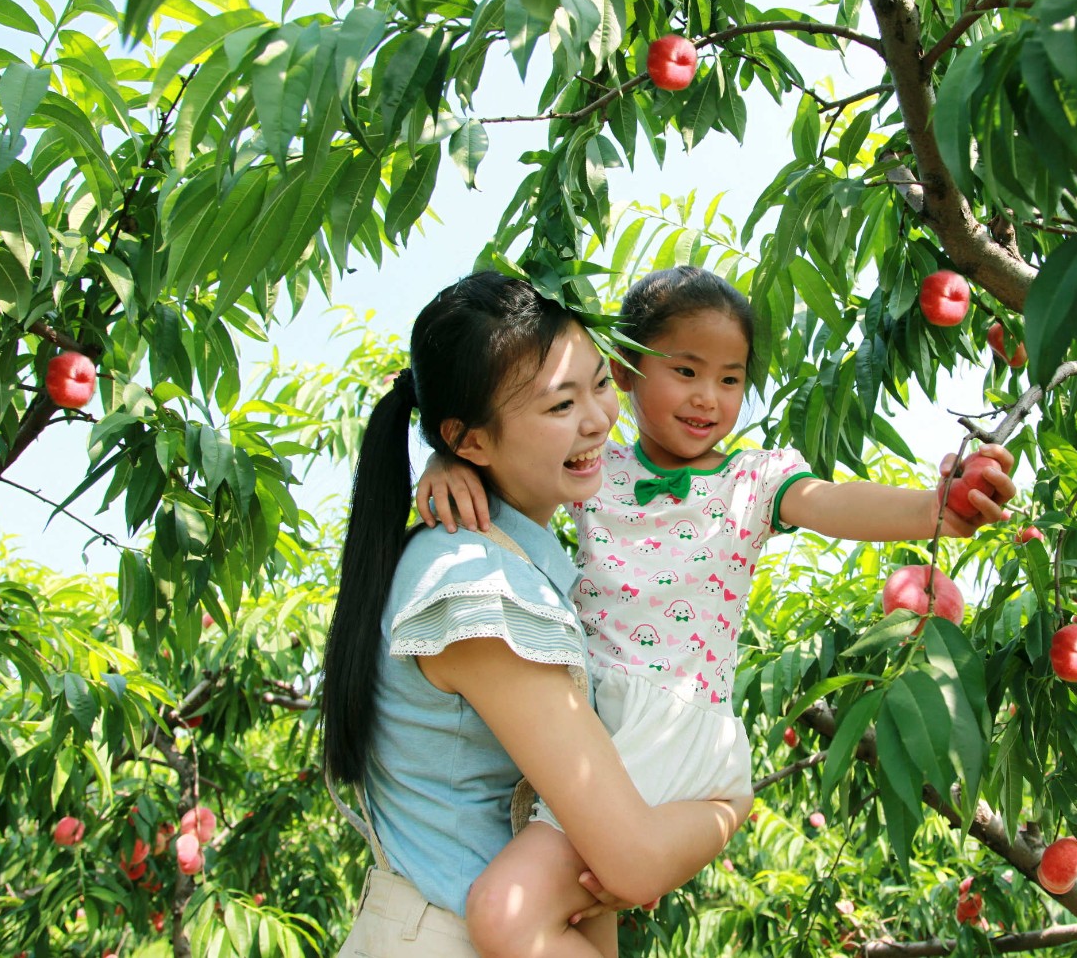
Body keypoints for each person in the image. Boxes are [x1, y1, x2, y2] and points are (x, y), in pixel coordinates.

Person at [416, 266, 1017, 957]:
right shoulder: (593, 464)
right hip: (594, 727)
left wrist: (933, 508)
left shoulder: (749, 480)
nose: (709, 398)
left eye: (730, 379)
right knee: (575, 929)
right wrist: (443, 464)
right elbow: (506, 442)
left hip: (665, 729)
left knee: (506, 915)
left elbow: (827, 502)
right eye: (686, 370)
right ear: (625, 372)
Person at [323, 271, 751, 958]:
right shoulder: (477, 592)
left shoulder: (509, 561)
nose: (598, 420)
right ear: (472, 441)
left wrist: (447, 453)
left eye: (601, 385)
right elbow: (634, 859)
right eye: (560, 407)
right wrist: (728, 806)